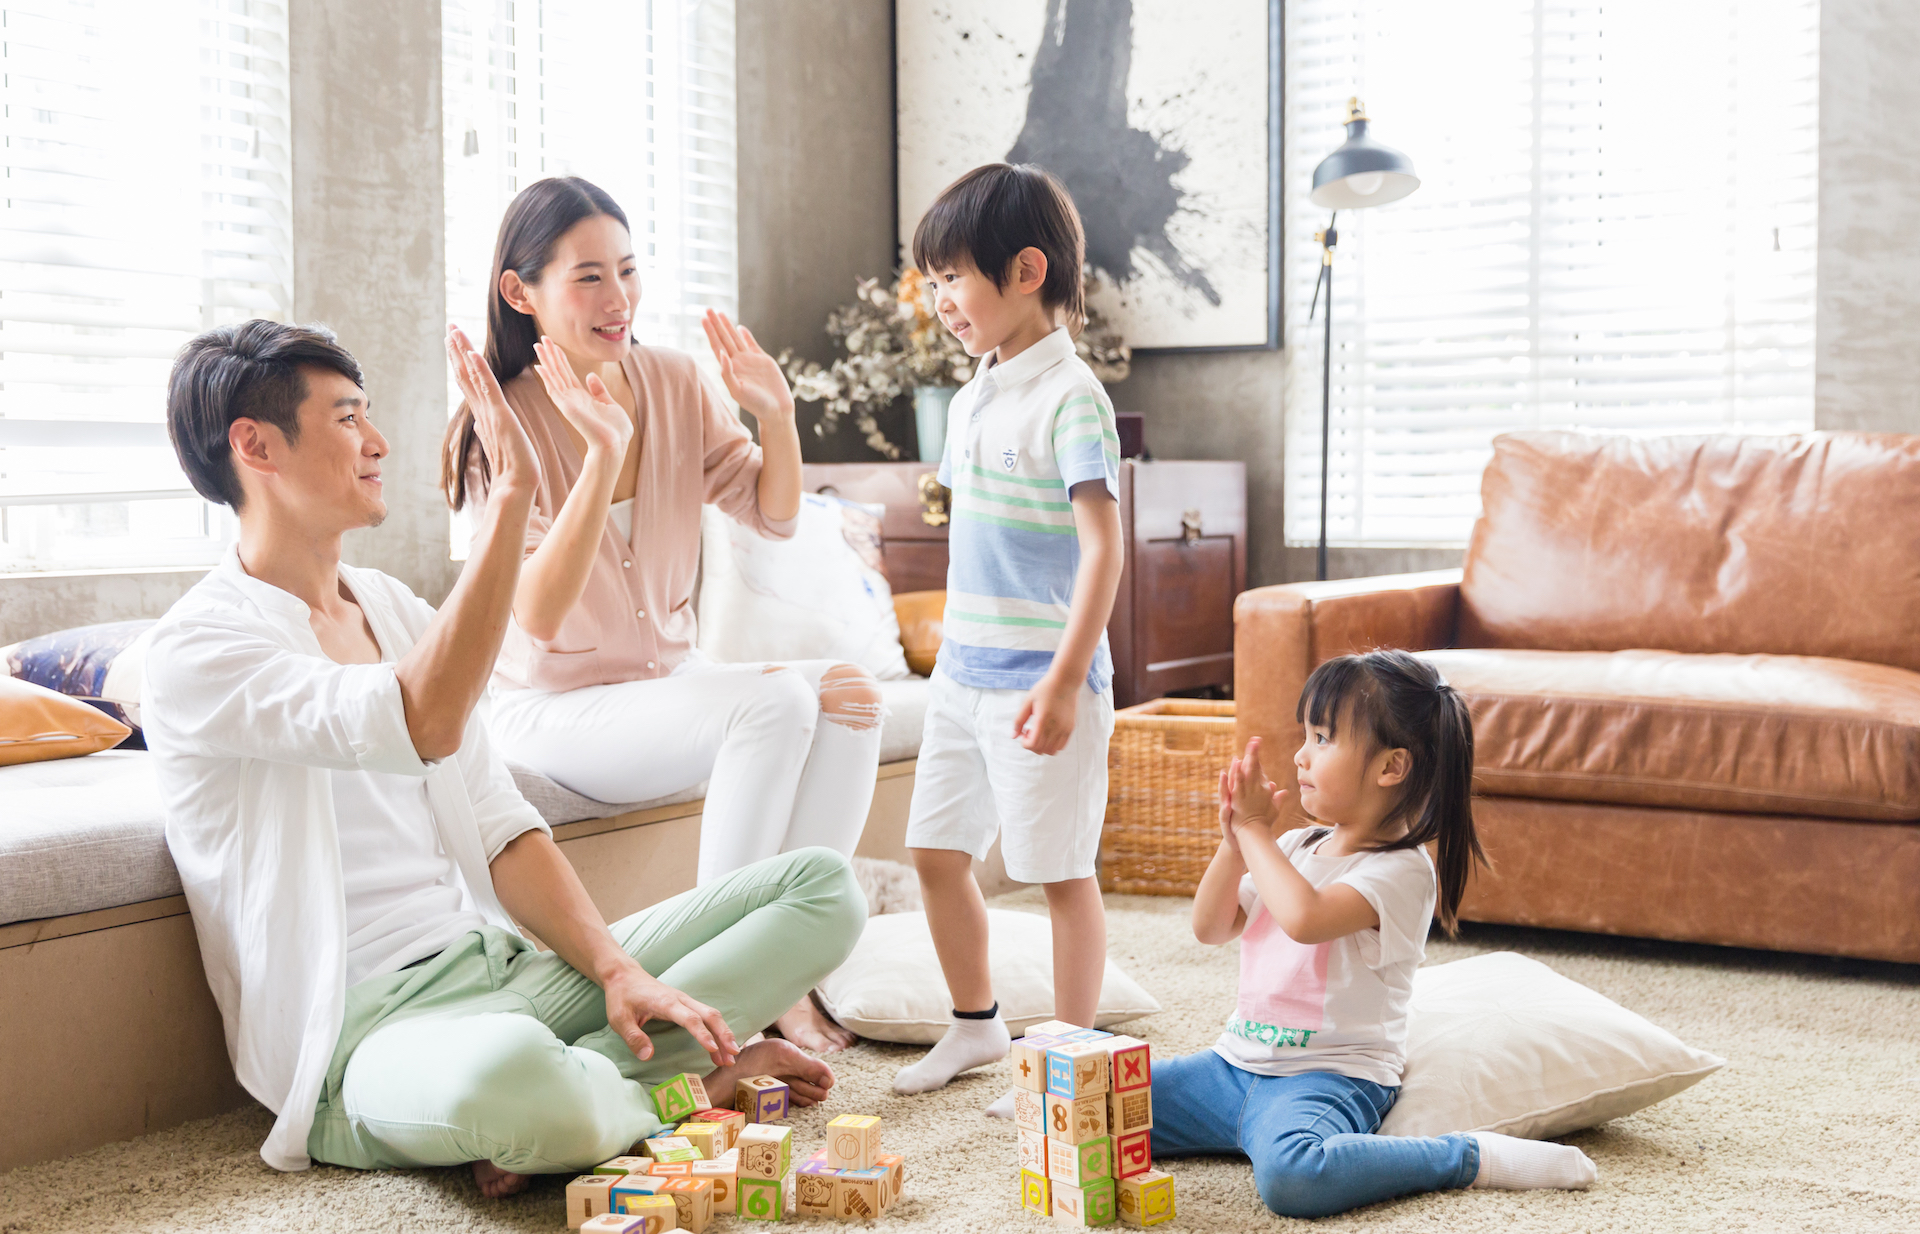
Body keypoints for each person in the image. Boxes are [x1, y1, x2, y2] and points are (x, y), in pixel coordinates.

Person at [142, 319, 865, 1193]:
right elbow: (420, 722)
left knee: (823, 889)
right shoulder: (199, 650)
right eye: (345, 420)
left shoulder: (393, 607)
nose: (377, 445)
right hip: (365, 1038)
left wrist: (617, 972)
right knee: (513, 1079)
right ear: (256, 446)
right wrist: (515, 496)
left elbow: (499, 824)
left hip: (504, 971)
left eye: (368, 415)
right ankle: (698, 1083)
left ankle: (587, 1088)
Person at [440, 177, 881, 1053]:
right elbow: (534, 614)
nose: (620, 299)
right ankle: (724, 992)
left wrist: (778, 415)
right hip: (553, 710)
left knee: (849, 695)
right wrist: (601, 453)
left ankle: (785, 972)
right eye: (590, 277)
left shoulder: (674, 380)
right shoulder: (500, 420)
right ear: (519, 292)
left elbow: (776, 515)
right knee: (776, 701)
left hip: (669, 689)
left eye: (629, 271)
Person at [1150, 651, 1597, 1218]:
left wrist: (1255, 831)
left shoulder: (1402, 870)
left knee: (1294, 1178)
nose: (1300, 754)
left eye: (1322, 738)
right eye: (1305, 734)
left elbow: (1305, 919)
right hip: (1232, 1066)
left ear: (1391, 767)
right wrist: (1233, 843)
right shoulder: (1292, 848)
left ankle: (1465, 1157)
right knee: (1099, 1102)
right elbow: (1210, 927)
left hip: (1329, 1078)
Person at [890, 164, 1126, 1097]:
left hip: (1041, 683)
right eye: (934, 280)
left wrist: (1066, 679)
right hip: (961, 678)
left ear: (1026, 270)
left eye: (953, 278)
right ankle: (977, 1027)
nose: (941, 301)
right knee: (936, 855)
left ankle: (1068, 1057)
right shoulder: (976, 392)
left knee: (1059, 872)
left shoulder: (1073, 397)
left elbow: (1103, 551)